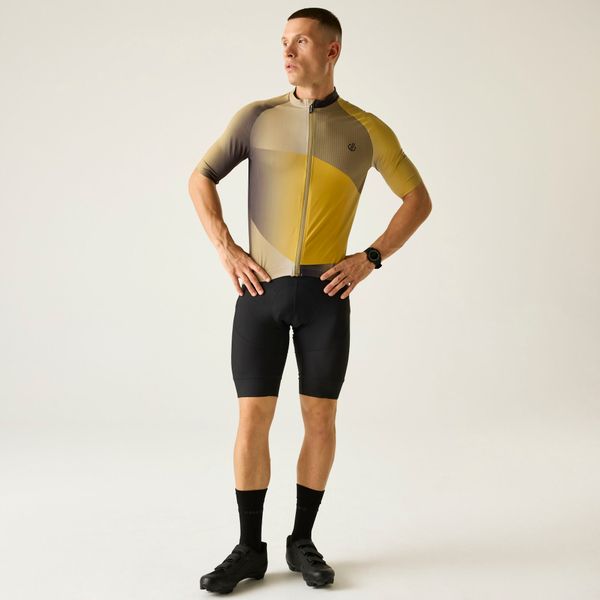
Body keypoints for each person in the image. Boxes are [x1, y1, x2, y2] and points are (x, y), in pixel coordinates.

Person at [188, 7, 432, 594]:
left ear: (332, 51)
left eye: (300, 41)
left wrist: (369, 259)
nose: (287, 51)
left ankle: (302, 541)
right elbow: (200, 177)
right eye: (283, 42)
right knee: (253, 417)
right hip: (261, 290)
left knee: (320, 419)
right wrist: (227, 249)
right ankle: (249, 548)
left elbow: (417, 200)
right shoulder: (257, 117)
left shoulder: (365, 129)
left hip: (326, 295)